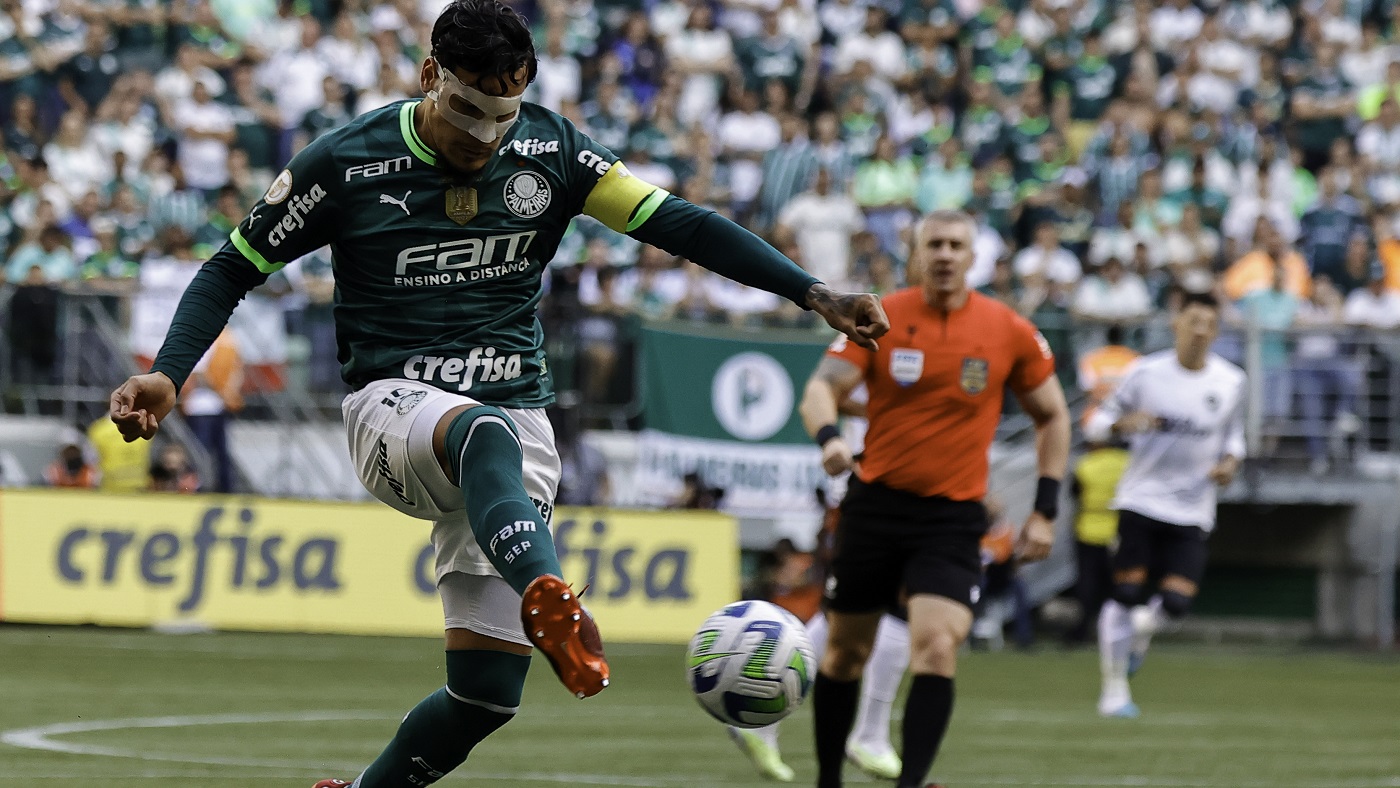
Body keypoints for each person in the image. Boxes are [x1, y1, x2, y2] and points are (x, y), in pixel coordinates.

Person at [106, 4, 889, 787]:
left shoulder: (554, 150)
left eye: (502, 115)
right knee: (483, 433)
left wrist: (812, 291)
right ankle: (549, 589)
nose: (484, 136)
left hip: (517, 419)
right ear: (429, 75)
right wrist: (170, 372)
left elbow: (677, 223)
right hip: (394, 408)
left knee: (484, 696)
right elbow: (230, 268)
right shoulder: (346, 163)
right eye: (467, 110)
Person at [800, 209, 1071, 788]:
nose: (945, 254)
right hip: (875, 505)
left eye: (955, 245)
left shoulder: (1008, 329)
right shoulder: (881, 315)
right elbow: (822, 386)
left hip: (951, 517)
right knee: (844, 654)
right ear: (917, 254)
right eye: (935, 244)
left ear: (974, 257)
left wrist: (1045, 510)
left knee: (938, 646)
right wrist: (829, 438)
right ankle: (828, 781)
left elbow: (1053, 416)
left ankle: (912, 782)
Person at [1084, 292, 1246, 718]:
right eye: (1193, 321)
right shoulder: (1144, 373)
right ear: (1175, 324)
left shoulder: (1230, 381)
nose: (1199, 331)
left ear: (1217, 332)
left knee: (1175, 604)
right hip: (1141, 499)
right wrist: (1122, 424)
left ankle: (1142, 631)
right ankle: (1113, 690)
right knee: (1125, 593)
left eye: (1208, 324)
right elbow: (1096, 423)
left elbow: (1234, 438)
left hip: (1193, 508)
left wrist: (1229, 465)